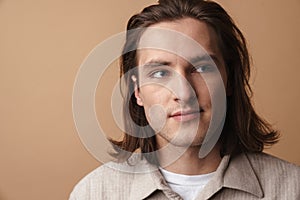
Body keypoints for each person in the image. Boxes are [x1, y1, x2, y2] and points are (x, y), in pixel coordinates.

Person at [70, 0, 300, 199]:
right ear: (137, 91)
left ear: (228, 79)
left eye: (201, 68)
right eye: (160, 73)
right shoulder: (93, 194)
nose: (184, 93)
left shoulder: (292, 189)